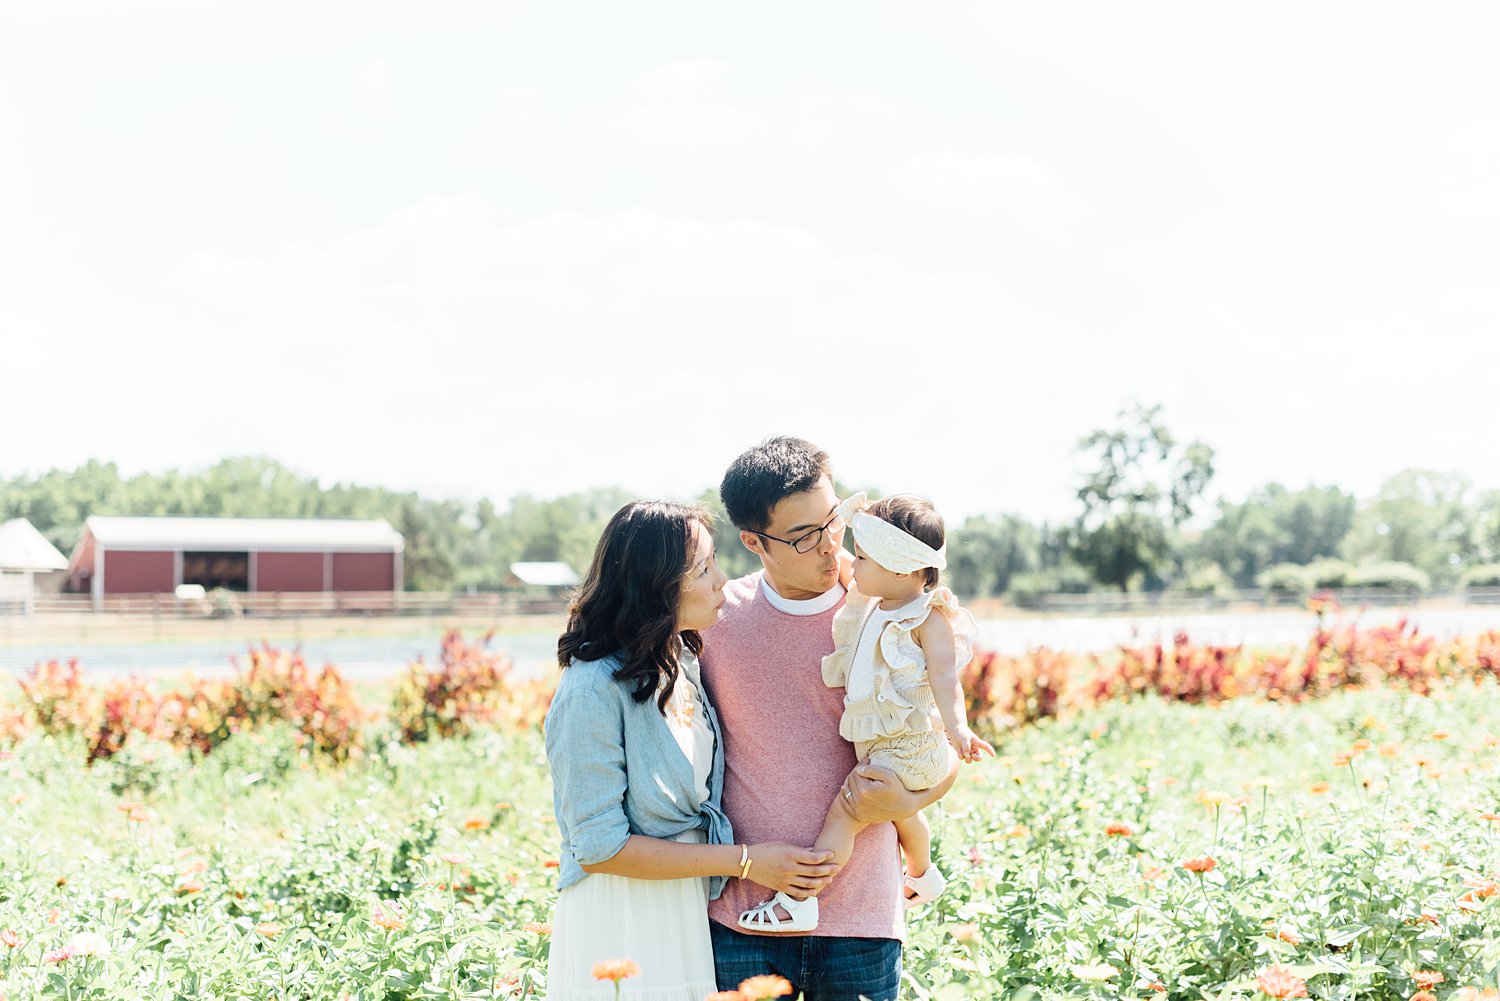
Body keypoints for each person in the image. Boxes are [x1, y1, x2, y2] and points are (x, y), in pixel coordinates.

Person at [544, 500, 840, 1000]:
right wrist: (744, 861)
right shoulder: (590, 689)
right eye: (704, 569)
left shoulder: (679, 661)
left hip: (685, 911)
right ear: (656, 587)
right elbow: (598, 848)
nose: (724, 580)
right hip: (623, 921)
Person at [700, 438, 960, 1001]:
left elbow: (940, 752)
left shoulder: (892, 609)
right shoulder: (715, 623)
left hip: (864, 919)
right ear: (752, 541)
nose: (829, 548)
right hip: (747, 915)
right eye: (802, 537)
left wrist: (909, 804)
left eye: (834, 522)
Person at [738, 492, 996, 932]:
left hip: (909, 747)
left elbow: (946, 680)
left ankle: (801, 900)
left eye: (861, 556)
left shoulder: (927, 618)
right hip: (886, 746)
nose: (849, 563)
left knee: (848, 810)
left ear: (902, 569)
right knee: (900, 812)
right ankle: (923, 873)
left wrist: (959, 730)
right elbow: (828, 566)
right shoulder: (876, 600)